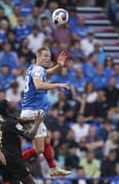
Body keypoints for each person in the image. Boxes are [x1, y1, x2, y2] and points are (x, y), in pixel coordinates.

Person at [20, 46, 71, 176]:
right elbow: (38, 85)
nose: (48, 59)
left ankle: (53, 169)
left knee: (47, 139)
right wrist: (58, 85)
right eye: (45, 56)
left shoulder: (35, 69)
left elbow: (48, 73)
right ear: (38, 57)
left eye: (49, 56)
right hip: (32, 112)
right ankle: (15, 163)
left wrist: (59, 66)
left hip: (34, 112)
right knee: (38, 149)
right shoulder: (37, 70)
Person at [0, 99, 43, 184]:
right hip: (11, 157)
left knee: (14, 181)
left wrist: (33, 118)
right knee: (30, 182)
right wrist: (37, 123)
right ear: (7, 109)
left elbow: (19, 120)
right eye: (10, 104)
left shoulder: (3, 119)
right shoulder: (12, 123)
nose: (14, 103)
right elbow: (29, 136)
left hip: (0, 157)